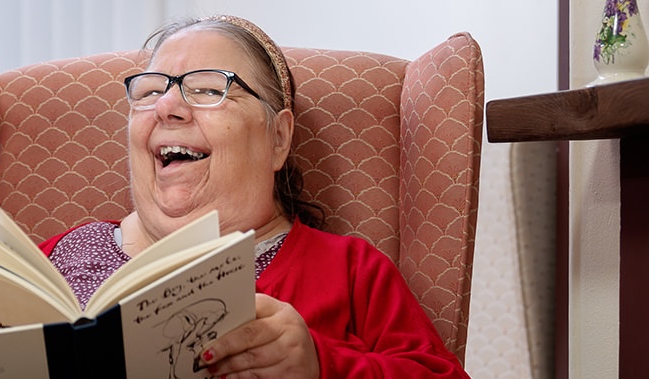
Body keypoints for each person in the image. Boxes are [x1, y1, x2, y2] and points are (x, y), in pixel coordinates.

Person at [40, 15, 469, 378]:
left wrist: (322, 364)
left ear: (278, 138)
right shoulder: (55, 257)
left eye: (208, 89)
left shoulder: (350, 270)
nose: (167, 106)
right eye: (151, 91)